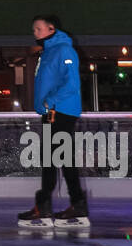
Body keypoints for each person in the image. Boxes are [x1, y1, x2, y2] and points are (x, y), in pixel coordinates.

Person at [18, 16, 88, 230]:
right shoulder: (48, 52)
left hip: (60, 112)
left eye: (38, 29)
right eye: (34, 30)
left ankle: (45, 207)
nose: (35, 33)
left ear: (51, 29)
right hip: (54, 112)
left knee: (50, 159)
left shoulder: (64, 51)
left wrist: (50, 101)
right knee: (61, 159)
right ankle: (76, 206)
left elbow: (72, 84)